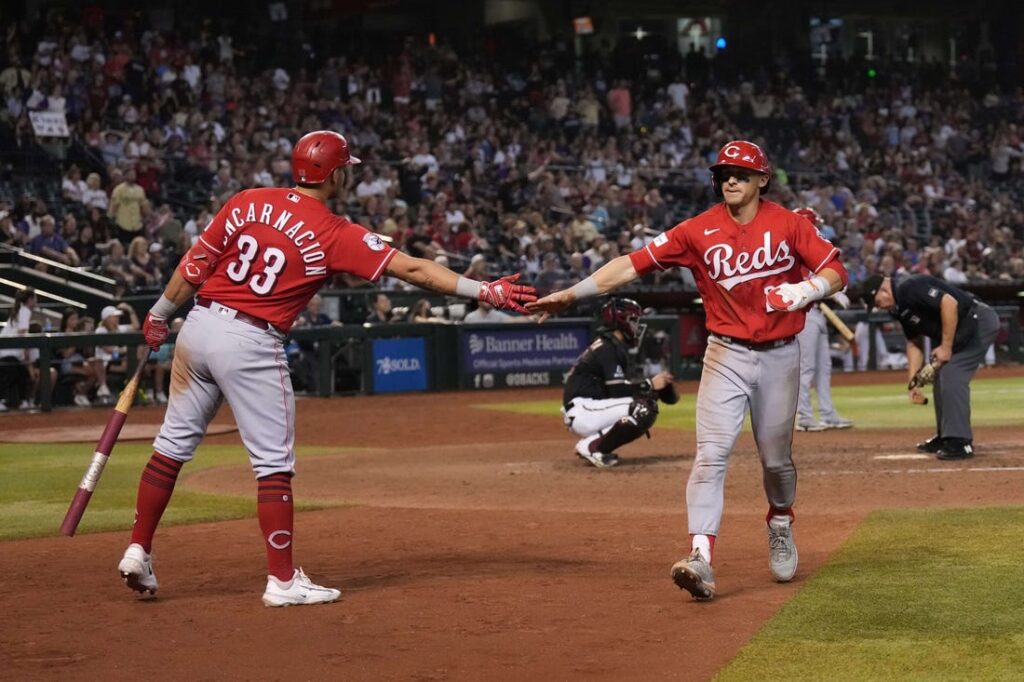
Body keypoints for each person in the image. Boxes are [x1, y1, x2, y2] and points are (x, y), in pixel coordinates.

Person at [119, 130, 535, 607]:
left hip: (199, 326)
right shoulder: (334, 231)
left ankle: (138, 547)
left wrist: (156, 316)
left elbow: (195, 266)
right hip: (252, 340)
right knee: (273, 464)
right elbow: (416, 271)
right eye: (347, 168)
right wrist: (485, 291)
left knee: (172, 446)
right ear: (334, 173)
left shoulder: (246, 200)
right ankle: (281, 580)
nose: (349, 174)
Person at [529, 140, 849, 601]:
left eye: (741, 172)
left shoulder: (789, 224)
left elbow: (836, 270)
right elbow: (631, 265)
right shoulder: (697, 230)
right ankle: (700, 556)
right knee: (711, 454)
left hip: (781, 353)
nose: (731, 179)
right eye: (724, 173)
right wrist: (571, 293)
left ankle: (780, 521)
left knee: (776, 460)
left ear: (763, 179)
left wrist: (805, 292)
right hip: (726, 353)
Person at [859, 274, 999, 461]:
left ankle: (960, 441)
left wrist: (946, 347)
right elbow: (913, 342)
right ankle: (946, 436)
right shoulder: (897, 307)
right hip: (958, 328)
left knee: (952, 373)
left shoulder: (909, 287)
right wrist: (913, 382)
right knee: (941, 377)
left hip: (977, 320)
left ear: (883, 290)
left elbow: (949, 303)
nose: (879, 307)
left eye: (877, 302)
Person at [561, 298, 676, 468]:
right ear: (621, 321)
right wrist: (649, 384)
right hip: (583, 410)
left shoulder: (611, 345)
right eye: (633, 321)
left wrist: (655, 389)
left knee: (645, 402)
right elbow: (618, 391)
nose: (636, 326)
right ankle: (593, 447)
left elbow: (624, 388)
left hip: (589, 409)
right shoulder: (607, 348)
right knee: (642, 408)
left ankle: (594, 443)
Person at [791, 208, 854, 432]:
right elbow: (806, 283)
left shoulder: (810, 252)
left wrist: (834, 289)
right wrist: (832, 292)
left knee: (823, 367)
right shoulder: (793, 253)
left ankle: (828, 414)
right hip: (803, 314)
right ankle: (803, 417)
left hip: (817, 313)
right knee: (806, 367)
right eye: (815, 224)